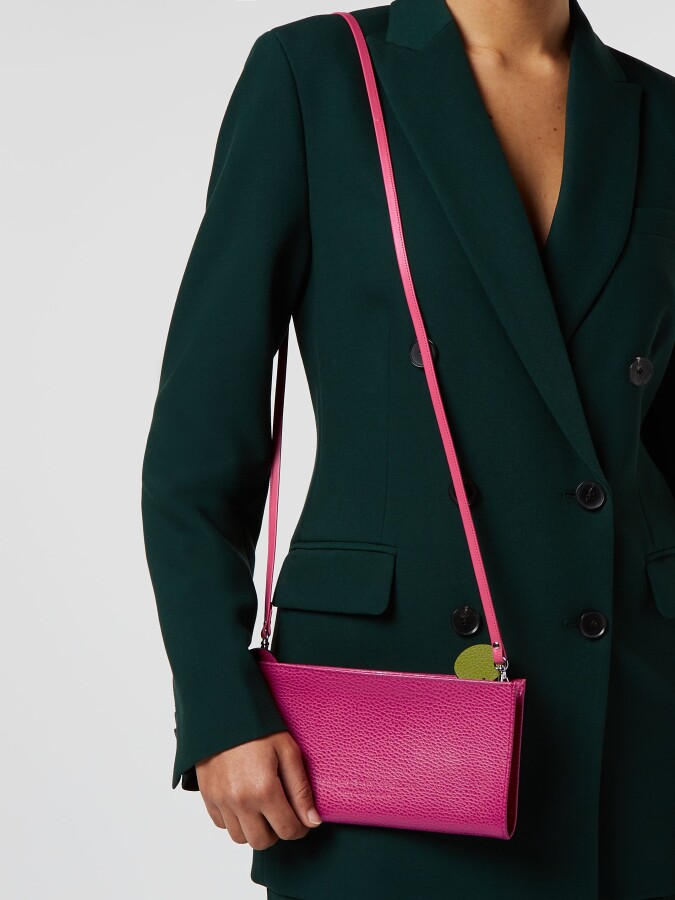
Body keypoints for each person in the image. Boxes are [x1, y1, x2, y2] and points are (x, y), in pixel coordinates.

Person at [140, 0, 675, 897]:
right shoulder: (316, 73)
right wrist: (219, 707)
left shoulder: (658, 111)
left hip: (630, 718)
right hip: (386, 717)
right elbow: (199, 441)